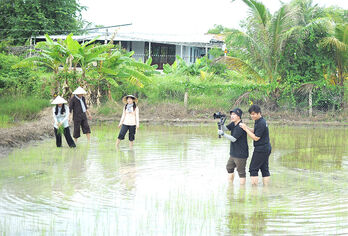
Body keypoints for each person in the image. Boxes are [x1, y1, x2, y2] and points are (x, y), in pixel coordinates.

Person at [239, 105, 271, 186]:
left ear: (259, 113)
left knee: (253, 169)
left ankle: (254, 191)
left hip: (261, 149)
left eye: (254, 114)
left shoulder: (261, 123)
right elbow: (255, 131)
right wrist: (246, 127)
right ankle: (266, 189)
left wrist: (246, 129)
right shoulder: (260, 121)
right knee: (264, 169)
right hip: (266, 148)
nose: (252, 116)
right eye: (251, 114)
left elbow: (256, 138)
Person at [218, 108, 249, 185]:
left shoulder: (240, 126)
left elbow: (233, 139)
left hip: (241, 154)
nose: (232, 116)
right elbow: (225, 128)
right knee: (229, 168)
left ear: (239, 116)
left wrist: (223, 134)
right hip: (233, 153)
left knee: (241, 172)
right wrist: (221, 124)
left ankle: (242, 190)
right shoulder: (233, 123)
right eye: (231, 114)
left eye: (234, 114)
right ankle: (230, 186)